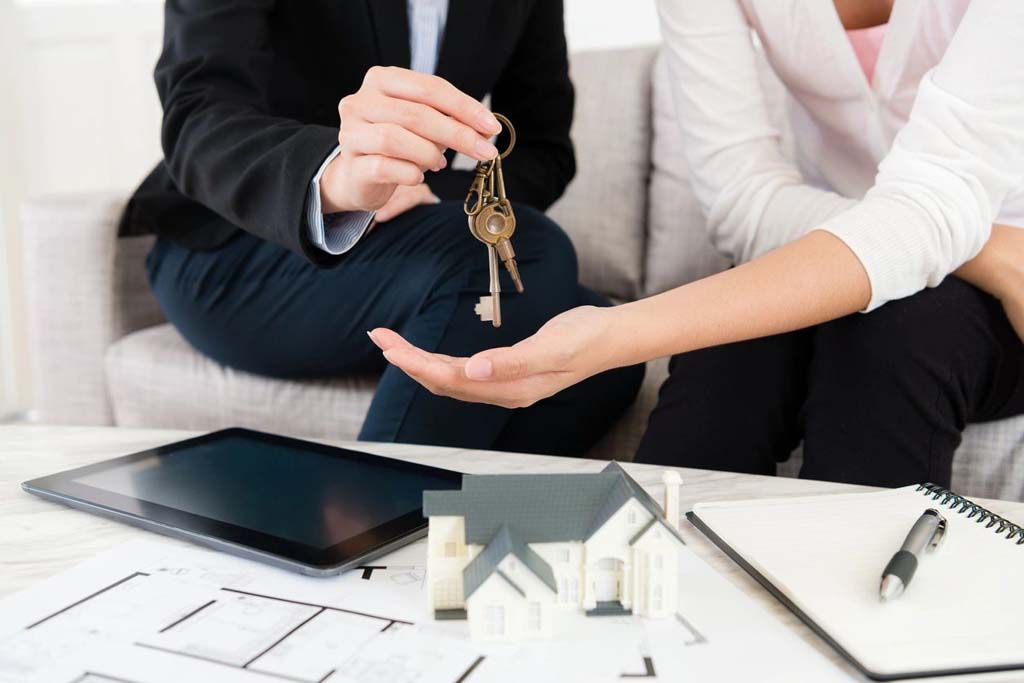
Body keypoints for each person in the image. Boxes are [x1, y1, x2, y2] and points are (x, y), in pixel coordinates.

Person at [372, 0, 1024, 488]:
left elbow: (938, 199)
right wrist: (982, 249)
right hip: (899, 246)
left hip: (1002, 294)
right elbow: (743, 198)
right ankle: (650, 631)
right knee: (728, 348)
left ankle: (861, 643)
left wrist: (610, 335)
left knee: (895, 332)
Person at [119, 0, 643, 456]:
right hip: (233, 249)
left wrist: (422, 188)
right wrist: (335, 176)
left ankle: (402, 524)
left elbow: (542, 148)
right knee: (530, 251)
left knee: (605, 360)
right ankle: (374, 530)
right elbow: (197, 115)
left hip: (400, 250)